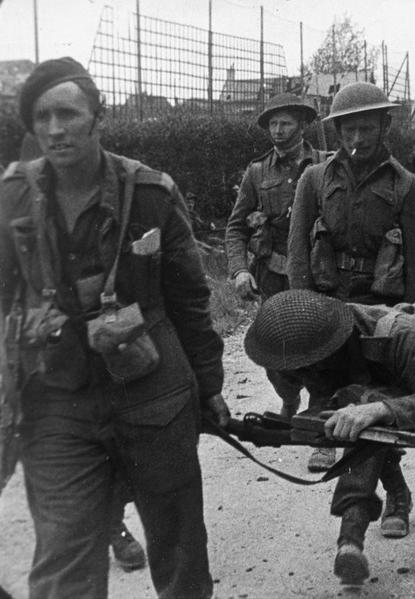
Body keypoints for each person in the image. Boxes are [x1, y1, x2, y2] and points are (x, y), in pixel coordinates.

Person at [0, 57, 230, 599]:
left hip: (152, 392)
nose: (55, 129)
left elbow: (190, 298)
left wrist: (211, 386)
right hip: (56, 399)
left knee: (178, 550)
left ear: (97, 118)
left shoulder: (150, 192)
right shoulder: (12, 197)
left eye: (67, 114)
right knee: (62, 559)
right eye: (42, 117)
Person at [243, 289, 415, 585]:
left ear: (330, 349)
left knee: (358, 404)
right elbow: (292, 388)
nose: (304, 375)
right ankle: (391, 499)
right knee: (352, 409)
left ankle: (351, 536)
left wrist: (379, 409)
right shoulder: (292, 348)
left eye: (311, 367)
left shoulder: (401, 337)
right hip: (369, 386)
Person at [20, 130, 150, 573]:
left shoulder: (107, 193)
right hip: (55, 365)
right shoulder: (20, 204)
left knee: (120, 450)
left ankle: (113, 524)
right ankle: (111, 530)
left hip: (115, 347)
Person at [287, 82, 415, 477]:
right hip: (328, 299)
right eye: (348, 130)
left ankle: (396, 494)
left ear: (384, 126)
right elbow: (299, 252)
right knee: (325, 382)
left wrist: (410, 320)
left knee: (376, 398)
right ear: (336, 132)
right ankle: (326, 439)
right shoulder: (313, 180)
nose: (356, 138)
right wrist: (300, 311)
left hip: (378, 305)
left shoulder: (407, 186)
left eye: (366, 128)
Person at [224, 93, 330, 470]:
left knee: (321, 350)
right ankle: (288, 400)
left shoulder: (323, 165)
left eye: (286, 123)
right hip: (272, 272)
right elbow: (235, 226)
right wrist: (239, 270)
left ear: (302, 126)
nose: (279, 131)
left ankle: (322, 433)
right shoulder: (257, 172)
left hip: (316, 273)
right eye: (273, 124)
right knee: (272, 351)